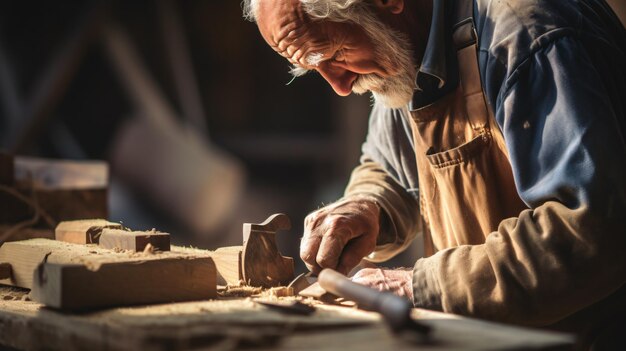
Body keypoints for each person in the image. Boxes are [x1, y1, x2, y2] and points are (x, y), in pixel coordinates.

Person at [243, 0, 626, 347]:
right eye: (313, 66)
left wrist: (420, 286)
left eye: (336, 53)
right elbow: (390, 167)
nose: (340, 87)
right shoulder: (403, 43)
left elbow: (591, 230)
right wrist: (368, 206)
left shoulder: (524, 35)